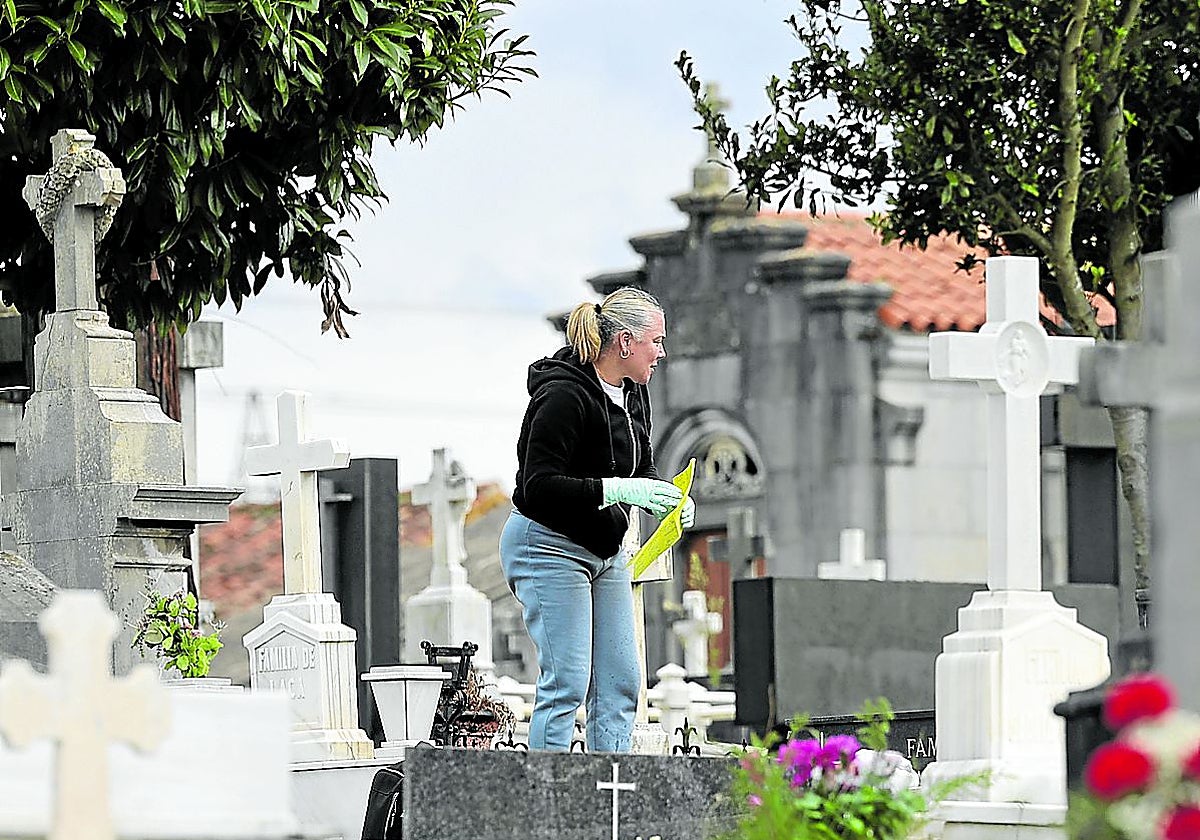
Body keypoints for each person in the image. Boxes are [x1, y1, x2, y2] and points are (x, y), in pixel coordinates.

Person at [500, 286, 695, 752]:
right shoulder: (563, 396)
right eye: (656, 341)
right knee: (567, 681)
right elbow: (539, 486)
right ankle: (551, 807)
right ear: (625, 342)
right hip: (547, 544)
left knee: (621, 682)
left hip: (606, 550)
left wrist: (663, 495)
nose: (661, 353)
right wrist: (620, 490)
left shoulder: (633, 394)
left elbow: (638, 465)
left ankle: (609, 801)